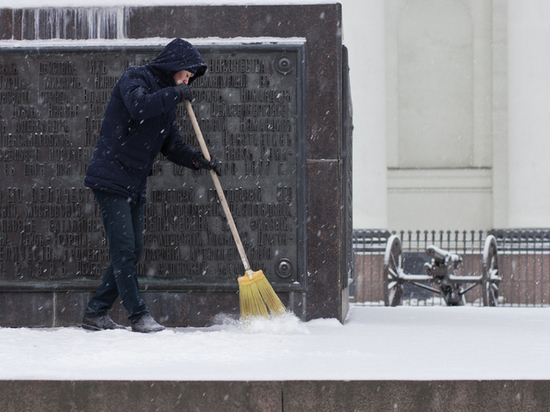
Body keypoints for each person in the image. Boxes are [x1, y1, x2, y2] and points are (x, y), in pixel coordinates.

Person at [81, 39, 220, 333]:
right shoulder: (136, 78)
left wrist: (198, 161)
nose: (188, 78)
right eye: (187, 72)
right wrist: (174, 93)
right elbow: (139, 106)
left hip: (133, 183)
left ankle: (96, 312)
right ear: (173, 63)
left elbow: (172, 146)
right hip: (111, 177)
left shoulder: (169, 105)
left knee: (133, 250)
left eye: (192, 77)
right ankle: (138, 316)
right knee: (124, 251)